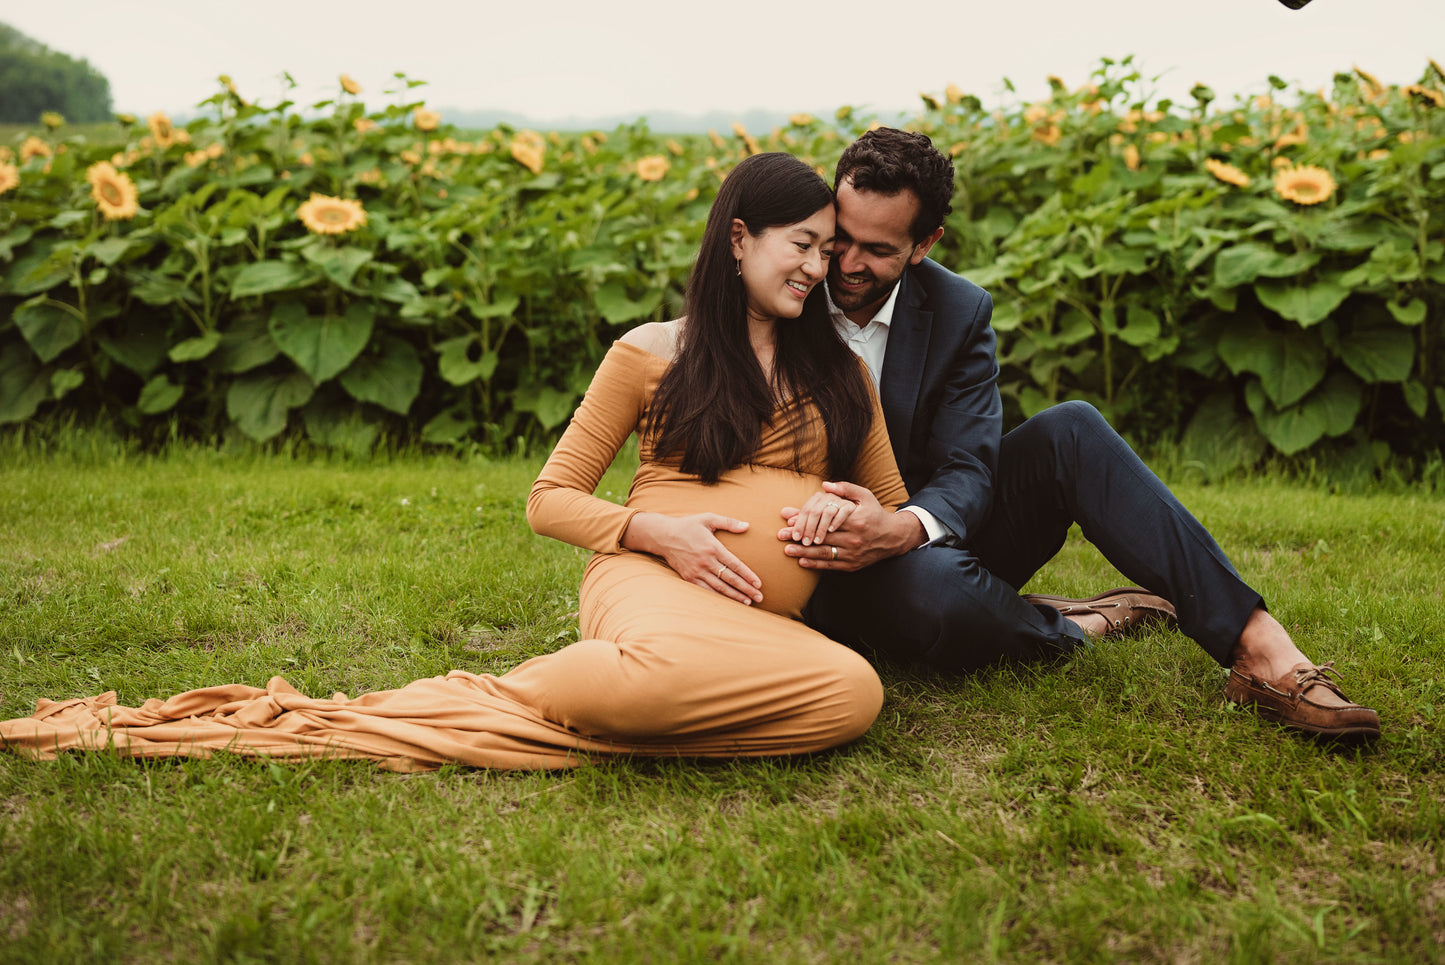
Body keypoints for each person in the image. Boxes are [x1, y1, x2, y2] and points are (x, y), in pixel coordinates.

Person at [0, 153, 909, 771]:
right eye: (805, 245)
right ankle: (506, 694)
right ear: (742, 237)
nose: (820, 268)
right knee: (645, 680)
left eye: (828, 251)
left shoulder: (840, 372)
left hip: (763, 622)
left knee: (852, 693)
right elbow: (549, 499)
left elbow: (893, 507)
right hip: (653, 585)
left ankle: (590, 703)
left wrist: (859, 519)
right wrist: (652, 529)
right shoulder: (649, 354)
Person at [776, 127, 1380, 740]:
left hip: (925, 531)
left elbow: (967, 468)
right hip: (817, 556)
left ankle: (1260, 649)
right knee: (938, 592)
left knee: (1073, 429)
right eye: (841, 238)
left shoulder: (960, 310)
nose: (848, 265)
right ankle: (1072, 627)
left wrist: (903, 527)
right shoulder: (783, 287)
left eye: (877, 249)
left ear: (924, 244)